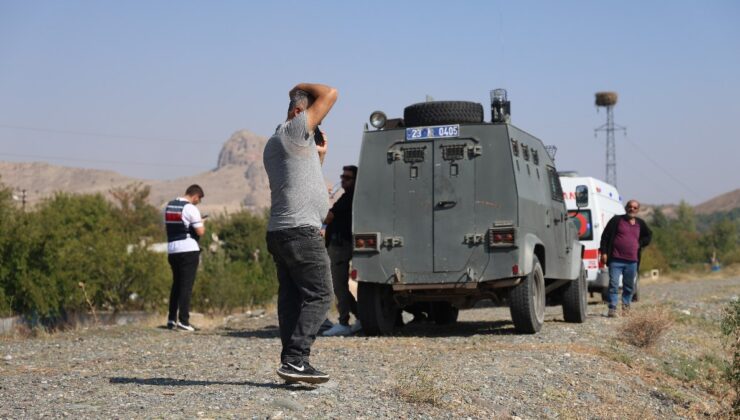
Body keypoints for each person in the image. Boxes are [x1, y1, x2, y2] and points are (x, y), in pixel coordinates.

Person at [263, 82, 338, 384]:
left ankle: (290, 364)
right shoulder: (293, 131)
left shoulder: (279, 141)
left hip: (282, 231)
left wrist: (319, 155)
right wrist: (299, 87)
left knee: (293, 300)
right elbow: (331, 93)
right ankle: (296, 359)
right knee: (321, 294)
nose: (315, 125)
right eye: (313, 118)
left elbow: (305, 181)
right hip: (300, 232)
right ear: (297, 112)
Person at [322, 165, 361, 336]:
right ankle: (361, 317)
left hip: (340, 246)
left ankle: (344, 321)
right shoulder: (348, 196)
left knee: (339, 285)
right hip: (340, 245)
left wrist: (323, 199)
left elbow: (328, 216)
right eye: (342, 177)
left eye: (347, 178)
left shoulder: (350, 197)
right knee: (341, 286)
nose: (343, 181)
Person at [599, 199, 652, 317]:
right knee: (613, 284)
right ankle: (612, 308)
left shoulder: (640, 223)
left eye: (635, 208)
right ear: (626, 207)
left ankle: (626, 307)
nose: (632, 209)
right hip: (615, 259)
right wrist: (603, 252)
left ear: (637, 210)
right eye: (630, 206)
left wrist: (640, 243)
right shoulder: (616, 220)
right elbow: (605, 237)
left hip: (632, 261)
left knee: (629, 286)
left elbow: (648, 236)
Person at [164, 184, 206, 331]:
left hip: (172, 250)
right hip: (188, 250)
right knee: (186, 286)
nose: (197, 202)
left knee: (176, 285)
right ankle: (184, 321)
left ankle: (171, 319)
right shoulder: (190, 208)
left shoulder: (169, 206)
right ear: (195, 196)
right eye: (198, 200)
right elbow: (200, 231)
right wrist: (201, 222)